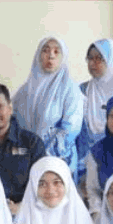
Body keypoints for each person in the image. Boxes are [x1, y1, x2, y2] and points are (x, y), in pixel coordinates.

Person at [11, 36, 83, 173]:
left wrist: (43, 154)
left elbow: (71, 128)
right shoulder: (26, 90)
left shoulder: (70, 89)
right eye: (45, 50)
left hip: (57, 161)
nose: (51, 56)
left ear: (63, 57)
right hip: (27, 159)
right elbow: (13, 119)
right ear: (38, 55)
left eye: (56, 51)